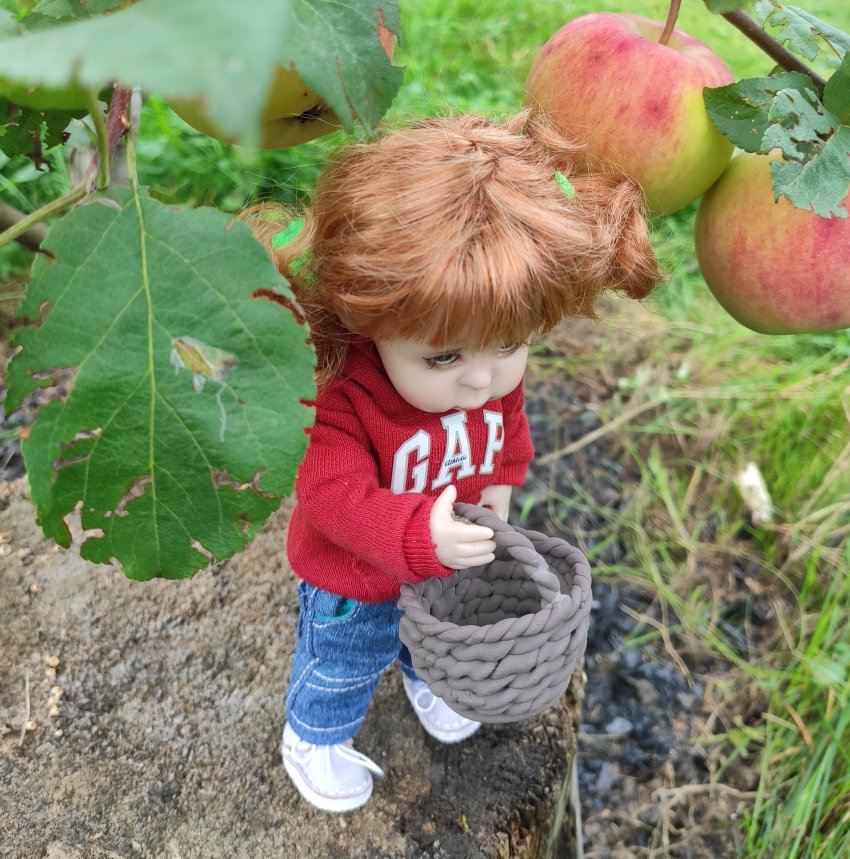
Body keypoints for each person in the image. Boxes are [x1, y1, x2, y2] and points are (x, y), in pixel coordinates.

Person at [247, 111, 660, 813]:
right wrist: (416, 537)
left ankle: (427, 676)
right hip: (357, 576)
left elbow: (509, 430)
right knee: (343, 659)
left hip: (448, 568)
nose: (480, 380)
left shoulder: (489, 375)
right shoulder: (345, 397)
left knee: (429, 639)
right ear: (364, 318)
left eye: (512, 343)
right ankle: (314, 733)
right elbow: (330, 493)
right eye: (443, 356)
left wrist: (498, 487)